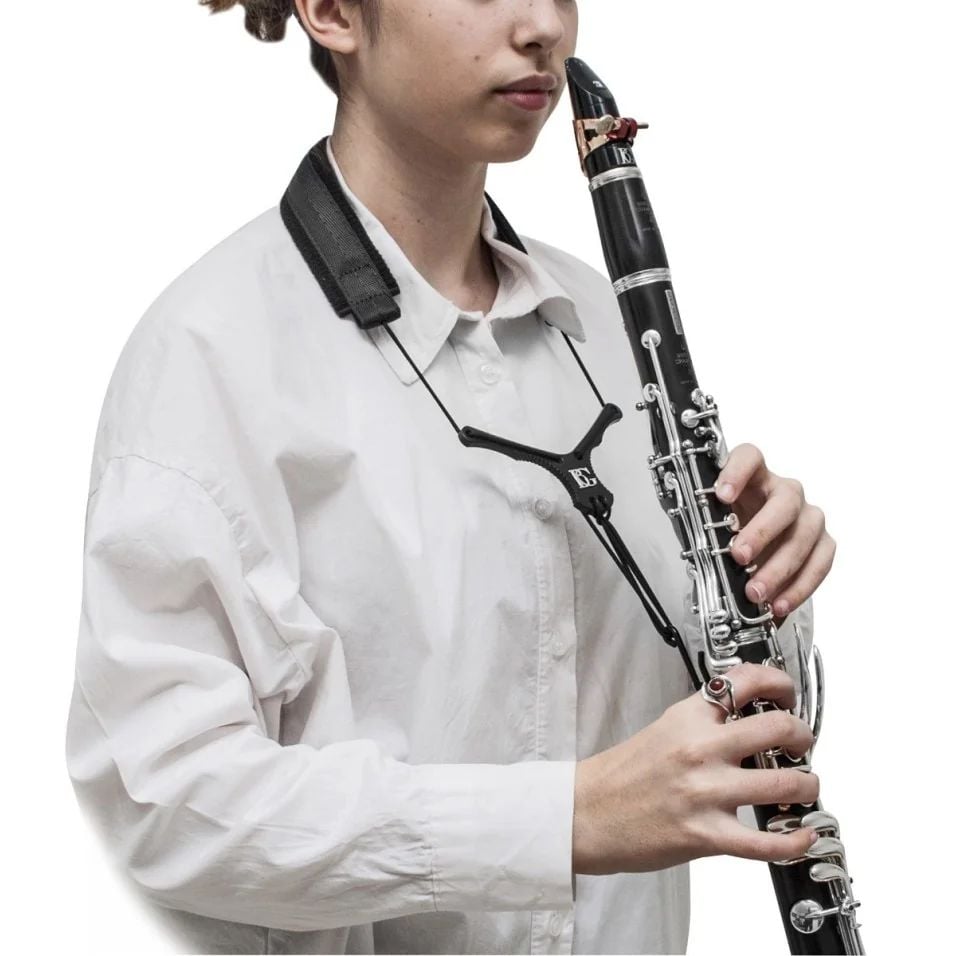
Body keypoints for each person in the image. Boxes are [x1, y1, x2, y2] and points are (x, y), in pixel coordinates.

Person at [64, 1, 837, 953]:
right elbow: (169, 804)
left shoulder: (602, 322)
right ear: (333, 12)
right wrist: (566, 819)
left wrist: (769, 593)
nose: (543, 26)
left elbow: (713, 741)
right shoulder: (209, 352)